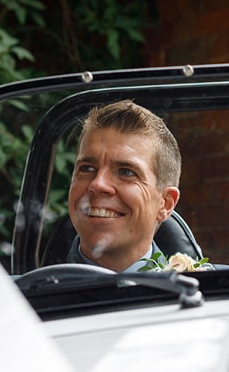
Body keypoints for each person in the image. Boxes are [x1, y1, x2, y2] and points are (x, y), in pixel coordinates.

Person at [67, 99, 182, 272]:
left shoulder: (219, 292)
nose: (97, 184)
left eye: (126, 172)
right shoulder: (19, 296)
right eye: (87, 168)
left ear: (165, 203)